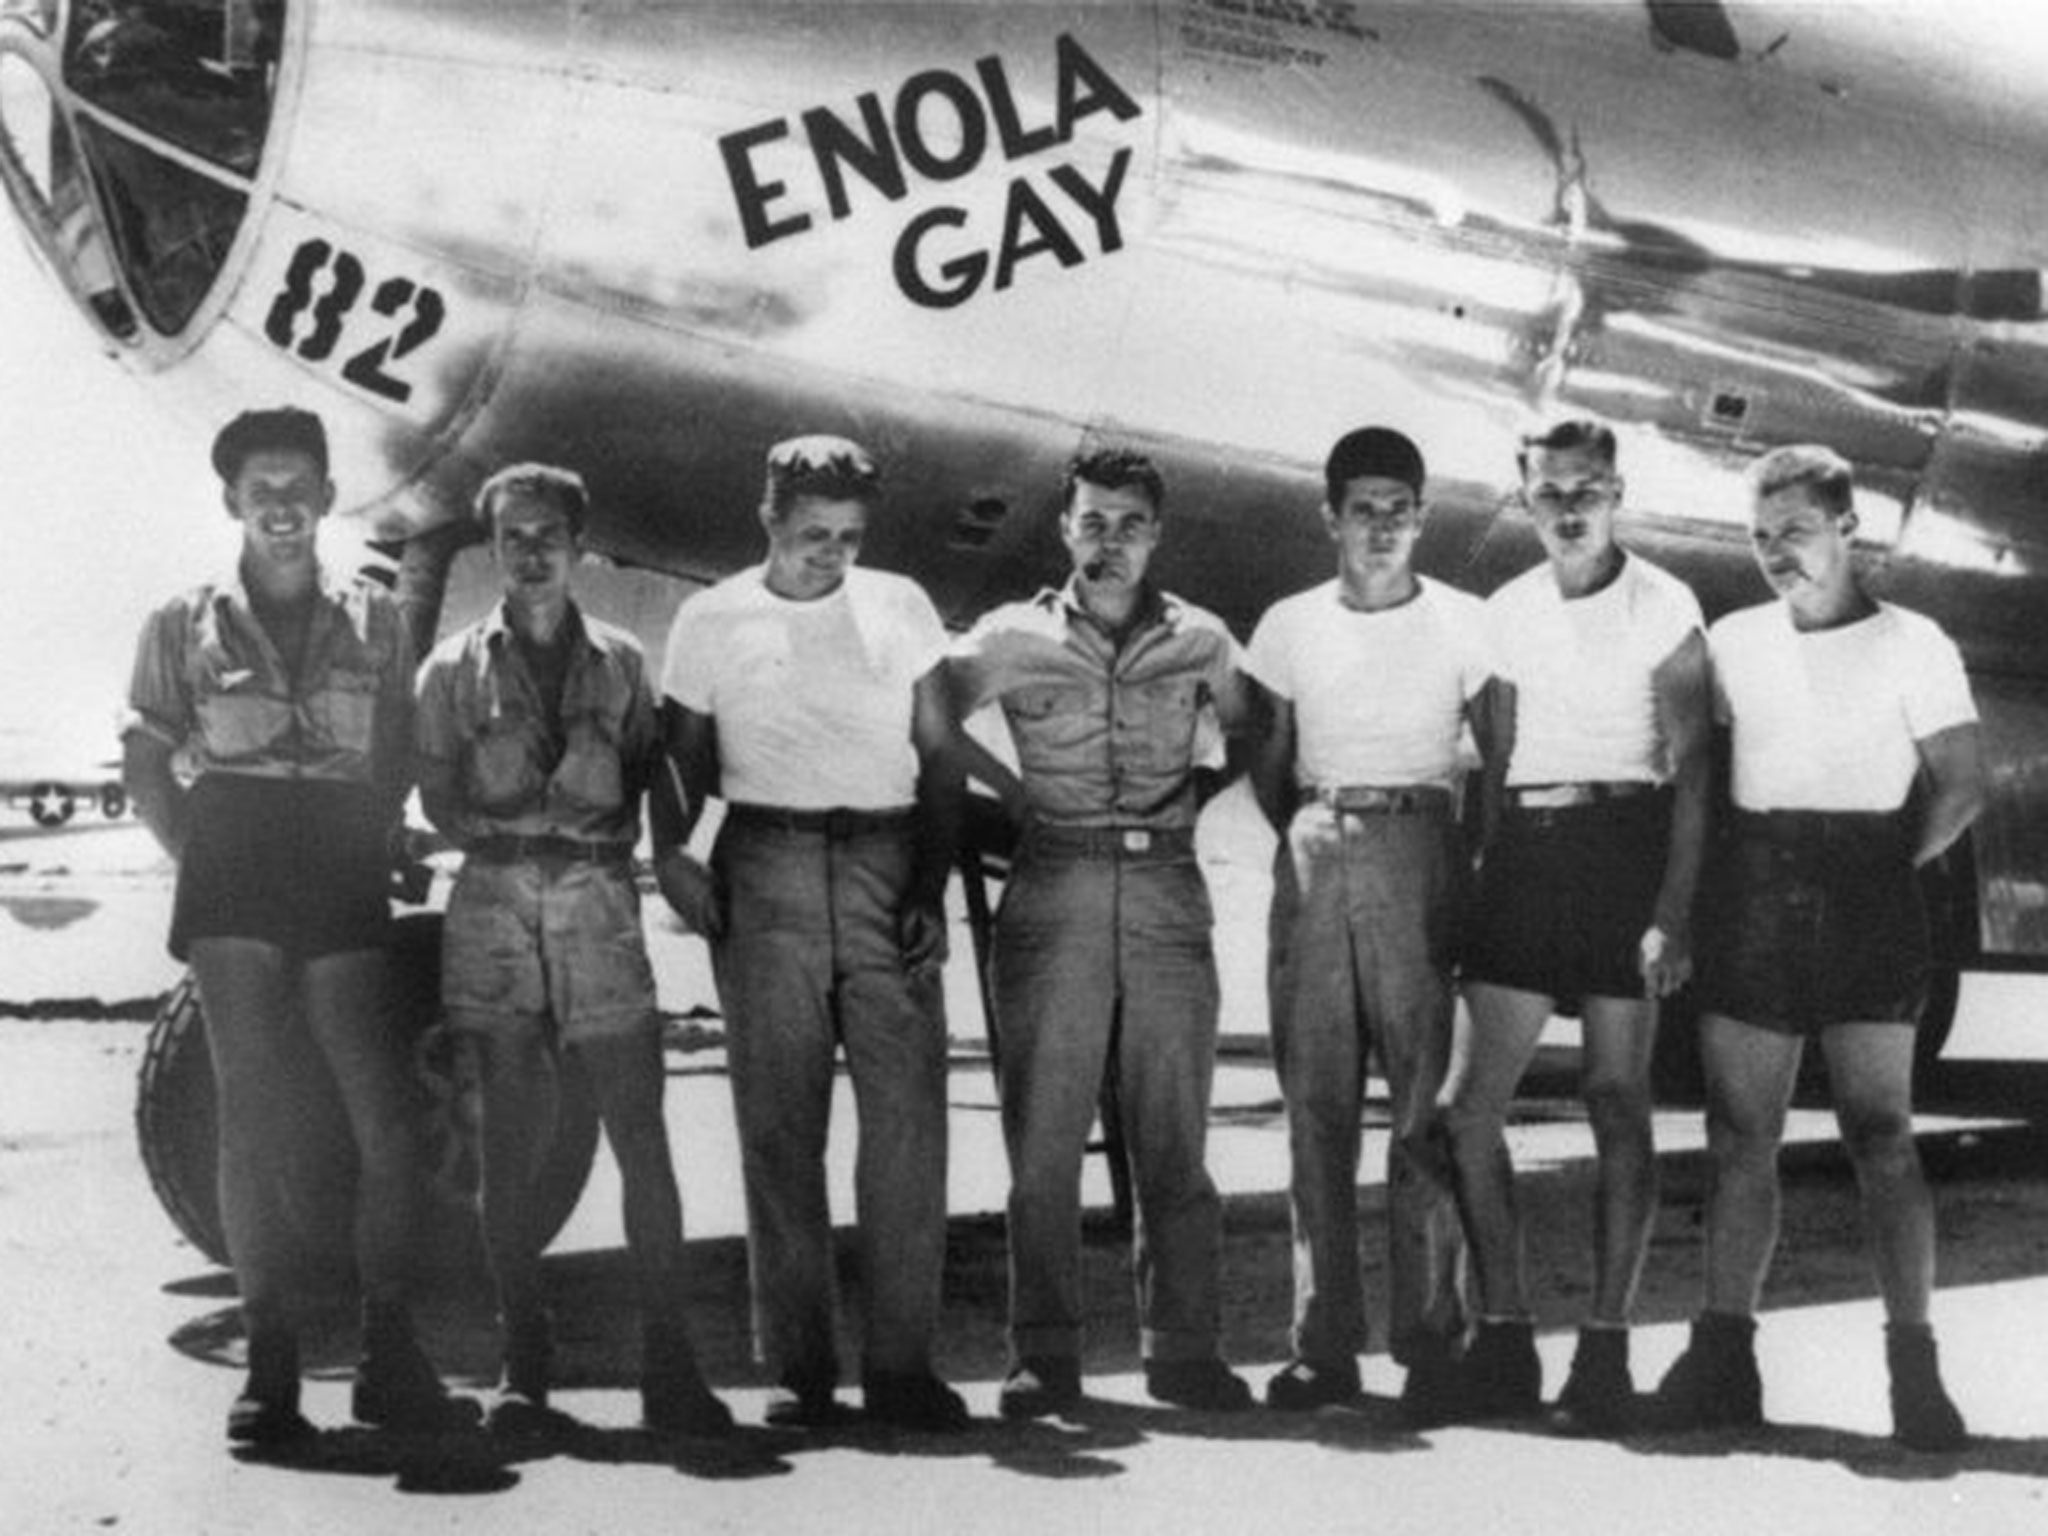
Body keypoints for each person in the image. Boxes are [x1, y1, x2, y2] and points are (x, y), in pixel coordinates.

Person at [123, 407, 472, 1446]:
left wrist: (364, 841)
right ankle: (272, 1366)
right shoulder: (182, 622)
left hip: (335, 854)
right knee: (251, 1113)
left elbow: (398, 751)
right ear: (234, 502)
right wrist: (200, 859)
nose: (280, 506)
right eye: (260, 489)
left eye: (298, 487)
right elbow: (147, 756)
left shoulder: (377, 618)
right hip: (231, 856)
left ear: (326, 499)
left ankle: (385, 1348)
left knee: (379, 1109)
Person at [1647, 445, 1983, 1452]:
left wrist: (1882, 865)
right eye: (1758, 537)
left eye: (1792, 531)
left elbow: (1960, 784)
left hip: (1867, 891)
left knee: (1880, 1136)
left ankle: (1912, 1373)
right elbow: (1697, 778)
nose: (1773, 554)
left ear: (1847, 528)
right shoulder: (1732, 642)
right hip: (1752, 889)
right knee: (1737, 1137)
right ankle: (1721, 1360)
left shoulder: (1913, 641)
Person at [412, 464, 731, 1438]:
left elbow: (656, 781)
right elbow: (433, 791)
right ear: (494, 547)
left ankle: (669, 1368)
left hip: (599, 898)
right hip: (496, 902)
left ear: (579, 544)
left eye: (550, 533)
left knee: (642, 1131)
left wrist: (668, 864)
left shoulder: (627, 662)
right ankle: (525, 1374)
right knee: (510, 1142)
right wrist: (506, 841)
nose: (533, 550)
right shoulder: (451, 671)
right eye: (513, 535)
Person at [657, 435, 968, 1432]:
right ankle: (801, 1375)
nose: (831, 554)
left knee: (907, 1128)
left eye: (848, 536)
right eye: (810, 535)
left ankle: (900, 1369)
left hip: (885, 865)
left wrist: (929, 887)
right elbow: (681, 761)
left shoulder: (902, 605)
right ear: (768, 518)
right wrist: (674, 859)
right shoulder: (710, 619)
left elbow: (941, 758)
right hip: (767, 868)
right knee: (779, 1130)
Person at [948, 446, 1256, 1419]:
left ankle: (1184, 1350)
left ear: (1155, 534)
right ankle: (1042, 1356)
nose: (1108, 541)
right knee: (1042, 1137)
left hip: (1165, 889)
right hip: (1055, 881)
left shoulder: (1202, 641)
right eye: (1091, 521)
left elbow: (1253, 731)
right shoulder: (1007, 637)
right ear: (1063, 528)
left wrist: (1191, 798)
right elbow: (925, 717)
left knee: (1174, 1132)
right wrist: (1008, 791)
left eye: (1128, 524)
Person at [1440, 419, 1711, 1433]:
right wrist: (1483, 873)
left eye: (1587, 489)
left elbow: (1691, 773)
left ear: (1616, 495)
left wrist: (1670, 914)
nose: (1567, 507)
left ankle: (1603, 1349)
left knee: (1613, 1098)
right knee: (1463, 1113)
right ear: (1522, 493)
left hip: (1624, 845)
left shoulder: (1662, 602)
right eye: (1549, 489)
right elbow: (1493, 756)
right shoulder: (1503, 610)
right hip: (1526, 853)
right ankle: (1502, 1334)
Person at [1245, 428, 1495, 1420]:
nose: (1382, 526)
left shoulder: (1464, 623)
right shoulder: (1287, 624)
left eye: (1399, 508)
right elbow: (1269, 757)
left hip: (1420, 839)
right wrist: (1317, 832)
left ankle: (1431, 1342)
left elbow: (1497, 761)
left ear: (1421, 517)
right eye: (1363, 508)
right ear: (1330, 517)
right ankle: (1322, 1348)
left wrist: (1445, 862)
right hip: (1316, 845)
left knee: (1421, 1107)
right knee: (1315, 1108)